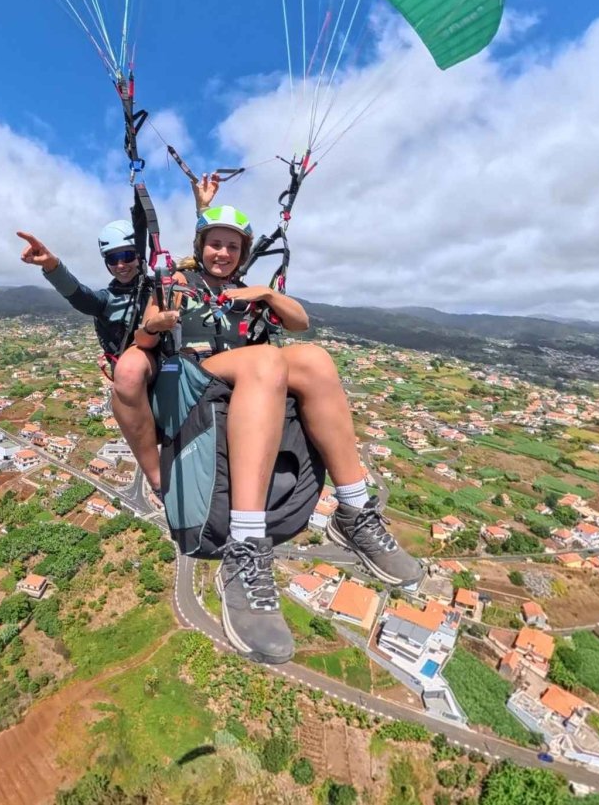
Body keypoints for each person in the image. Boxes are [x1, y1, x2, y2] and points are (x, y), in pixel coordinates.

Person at [140, 204, 424, 664]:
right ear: (200, 247)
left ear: (242, 253)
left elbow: (300, 322)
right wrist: (158, 324)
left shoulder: (248, 292)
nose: (223, 253)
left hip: (250, 375)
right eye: (215, 243)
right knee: (268, 359)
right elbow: (145, 331)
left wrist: (265, 295)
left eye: (233, 247)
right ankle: (245, 545)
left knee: (314, 360)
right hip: (195, 372)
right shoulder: (177, 284)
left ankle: (354, 510)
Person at [17, 222, 163, 492]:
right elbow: (78, 295)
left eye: (127, 256)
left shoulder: (163, 287)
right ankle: (156, 480)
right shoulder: (106, 301)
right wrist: (52, 265)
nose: (121, 265)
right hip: (136, 380)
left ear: (140, 255)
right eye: (113, 259)